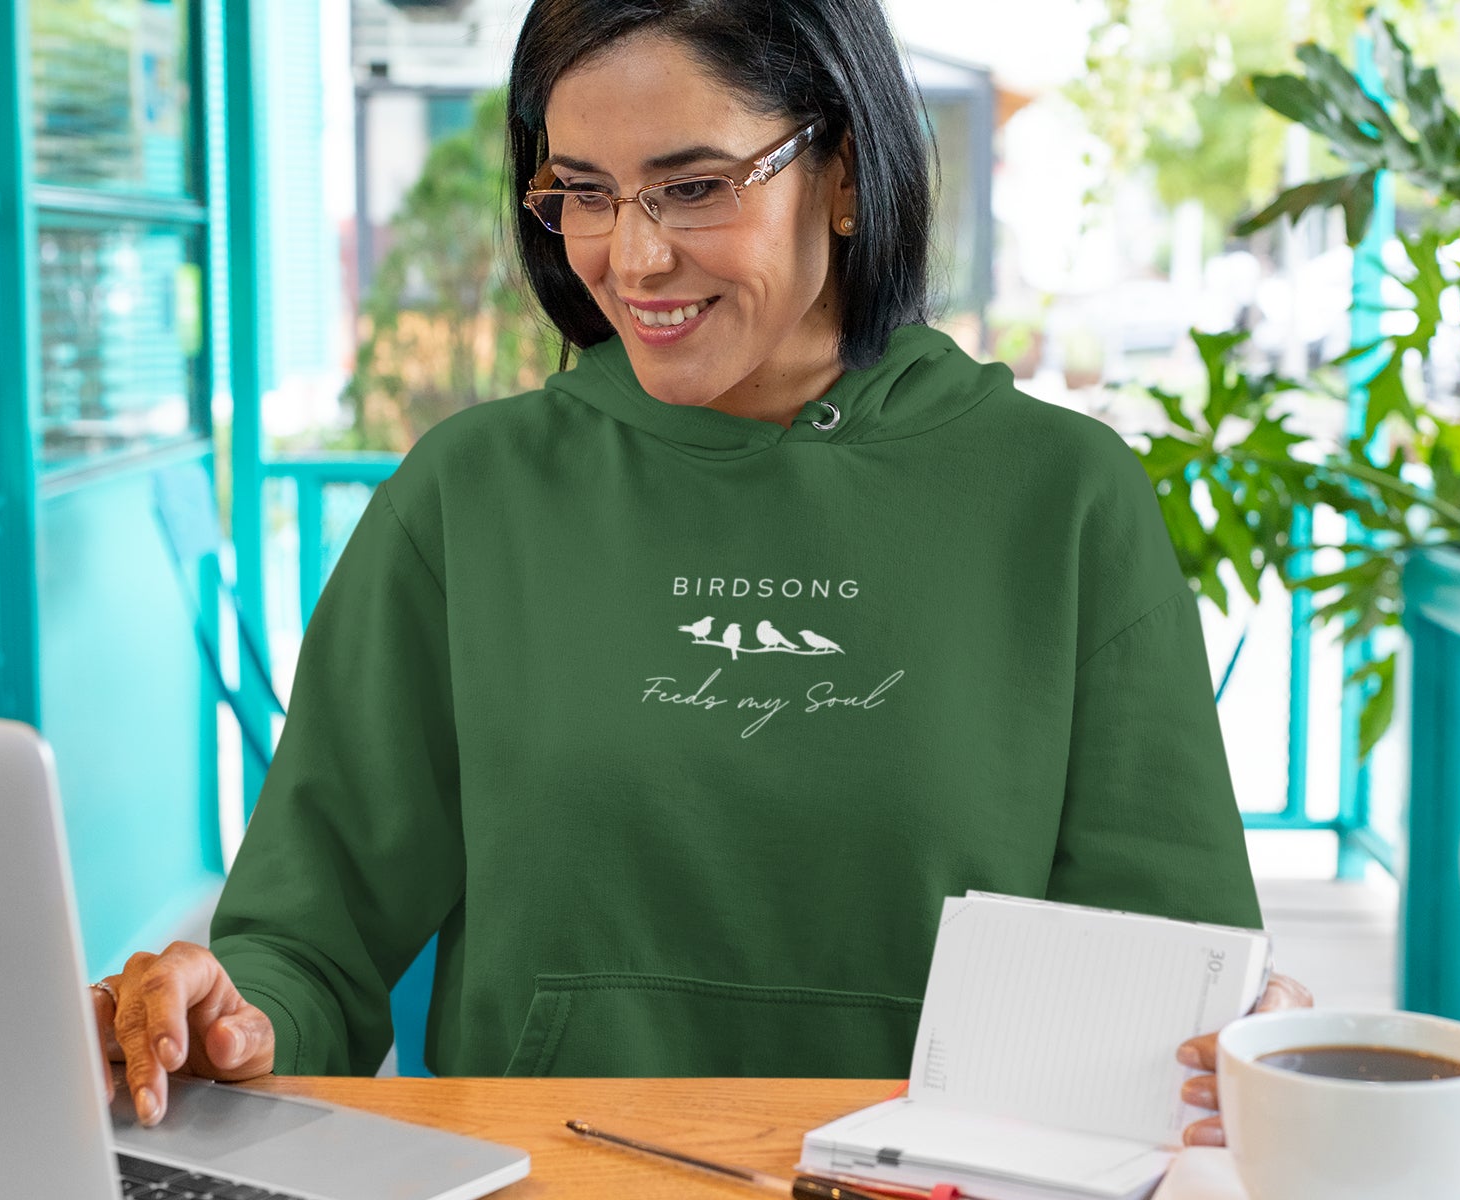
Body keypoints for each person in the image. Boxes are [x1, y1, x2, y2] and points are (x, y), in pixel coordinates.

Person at [92, 0, 1310, 1148]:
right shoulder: (468, 500)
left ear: (839, 174)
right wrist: (223, 1020)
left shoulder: (1063, 500)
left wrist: (1234, 1032)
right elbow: (309, 948)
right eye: (583, 194)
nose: (633, 257)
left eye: (692, 187)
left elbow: (1173, 967)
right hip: (552, 1178)